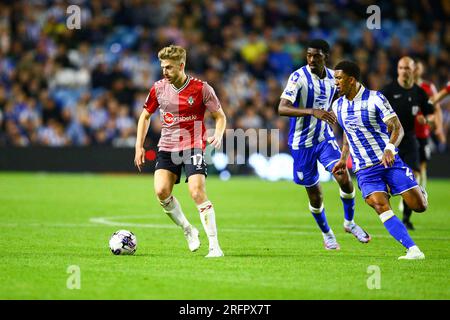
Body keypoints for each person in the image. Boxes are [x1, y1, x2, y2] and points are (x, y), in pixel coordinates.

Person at [134, 45, 227, 258]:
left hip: (193, 145)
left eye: (169, 68)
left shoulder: (202, 89)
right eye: (163, 67)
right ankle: (188, 229)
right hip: (167, 147)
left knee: (196, 191)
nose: (164, 72)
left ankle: (214, 246)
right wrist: (139, 146)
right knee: (161, 192)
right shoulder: (158, 88)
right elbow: (145, 116)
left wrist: (219, 134)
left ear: (181, 66)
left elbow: (220, 116)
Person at [278, 39, 370, 250]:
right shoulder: (298, 77)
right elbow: (282, 108)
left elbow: (348, 98)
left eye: (316, 56)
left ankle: (349, 222)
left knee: (343, 177)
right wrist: (312, 111)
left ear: (325, 57)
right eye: (309, 55)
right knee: (315, 194)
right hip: (302, 144)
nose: (311, 59)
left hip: (324, 139)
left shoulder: (334, 78)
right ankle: (327, 234)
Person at [331, 60, 428, 260]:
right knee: (379, 205)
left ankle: (419, 190)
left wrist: (390, 148)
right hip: (365, 169)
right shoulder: (337, 105)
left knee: (419, 207)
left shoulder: (375, 98)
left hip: (388, 162)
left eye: (339, 78)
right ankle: (413, 249)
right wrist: (343, 158)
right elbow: (348, 133)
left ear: (351, 79)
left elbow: (396, 127)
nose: (336, 83)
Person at [382, 57, 434, 230]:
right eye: (401, 67)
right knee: (387, 181)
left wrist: (425, 120)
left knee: (414, 175)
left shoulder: (419, 92)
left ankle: (405, 217)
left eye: (407, 68)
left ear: (414, 70)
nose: (404, 71)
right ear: (398, 70)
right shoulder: (388, 91)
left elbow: (431, 115)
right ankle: (390, 212)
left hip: (410, 139)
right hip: (391, 140)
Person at [414, 60, 444, 188]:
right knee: (410, 164)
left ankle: (422, 190)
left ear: (422, 70)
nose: (415, 70)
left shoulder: (428, 87)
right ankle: (410, 192)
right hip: (406, 131)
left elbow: (436, 109)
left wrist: (439, 128)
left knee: (422, 163)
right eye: (413, 67)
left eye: (417, 67)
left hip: (422, 131)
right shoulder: (403, 87)